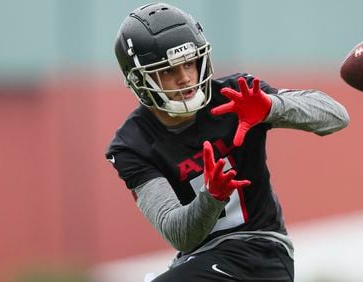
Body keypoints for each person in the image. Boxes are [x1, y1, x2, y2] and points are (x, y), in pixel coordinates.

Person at [106, 3, 349, 281]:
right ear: (140, 79)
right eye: (168, 71)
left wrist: (272, 107)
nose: (185, 77)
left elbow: (336, 116)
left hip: (260, 250)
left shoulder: (237, 95)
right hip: (199, 259)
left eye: (189, 63)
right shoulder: (131, 144)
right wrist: (212, 197)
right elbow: (179, 234)